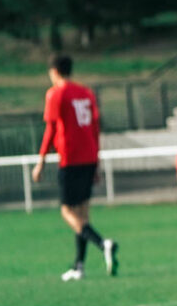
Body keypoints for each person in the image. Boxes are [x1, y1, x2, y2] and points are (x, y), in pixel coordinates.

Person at [31, 55, 117, 280]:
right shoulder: (86, 93)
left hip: (70, 159)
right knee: (82, 215)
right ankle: (79, 266)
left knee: (67, 211)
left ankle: (103, 243)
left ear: (54, 72)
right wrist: (96, 162)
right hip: (89, 157)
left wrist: (40, 161)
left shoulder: (56, 94)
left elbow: (50, 130)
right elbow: (95, 128)